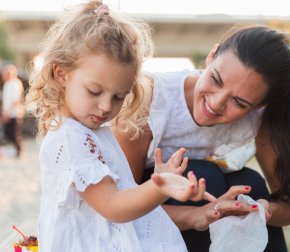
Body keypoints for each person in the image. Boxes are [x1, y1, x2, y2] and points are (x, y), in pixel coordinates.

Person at [25, 1, 218, 251]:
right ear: (62, 74)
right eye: (95, 91)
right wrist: (158, 187)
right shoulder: (70, 138)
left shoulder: (91, 131)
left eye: (119, 97)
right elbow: (113, 205)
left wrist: (157, 180)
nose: (106, 106)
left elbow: (118, 195)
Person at [115, 24, 290, 252]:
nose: (216, 103)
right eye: (216, 79)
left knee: (250, 184)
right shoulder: (150, 99)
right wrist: (198, 216)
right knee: (202, 175)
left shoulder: (260, 119)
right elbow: (120, 206)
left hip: (204, 202)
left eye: (239, 102)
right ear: (211, 57)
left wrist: (261, 210)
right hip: (143, 210)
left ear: (259, 106)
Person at [1, 64, 25, 158]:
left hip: (14, 113)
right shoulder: (7, 84)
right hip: (7, 113)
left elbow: (15, 100)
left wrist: (7, 113)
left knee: (14, 133)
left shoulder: (16, 83)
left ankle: (20, 150)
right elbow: (5, 100)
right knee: (7, 133)